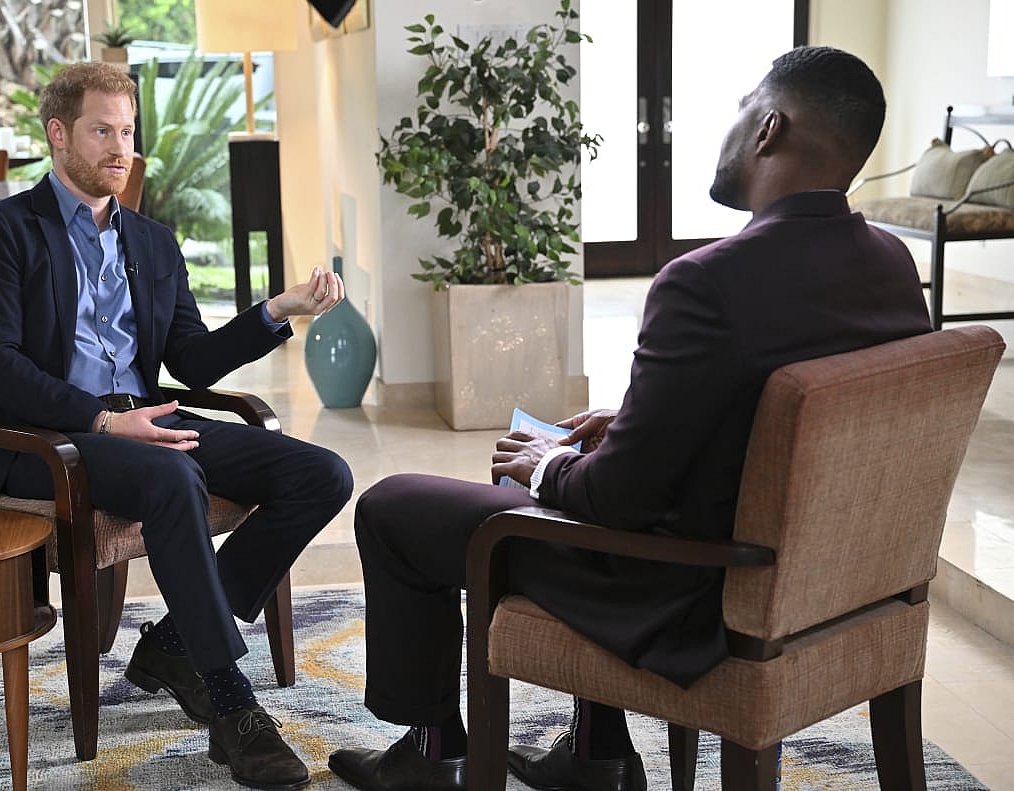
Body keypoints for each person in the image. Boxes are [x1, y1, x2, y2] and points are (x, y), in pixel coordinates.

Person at [328, 45, 934, 791]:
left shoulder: (706, 283)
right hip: (832, 587)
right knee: (588, 474)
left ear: (769, 128)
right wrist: (640, 419)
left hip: (694, 597)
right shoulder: (889, 265)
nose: (734, 123)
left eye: (743, 104)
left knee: (394, 507)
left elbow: (616, 501)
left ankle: (431, 755)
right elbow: (781, 422)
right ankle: (595, 754)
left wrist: (545, 465)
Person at [0, 62, 353, 791]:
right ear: (58, 134)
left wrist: (277, 311)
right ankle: (230, 697)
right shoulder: (1, 232)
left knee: (321, 474)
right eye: (102, 130)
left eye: (128, 131)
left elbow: (191, 360)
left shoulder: (152, 243)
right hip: (49, 440)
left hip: (143, 421)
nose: (120, 147)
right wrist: (105, 418)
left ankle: (173, 643)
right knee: (174, 475)